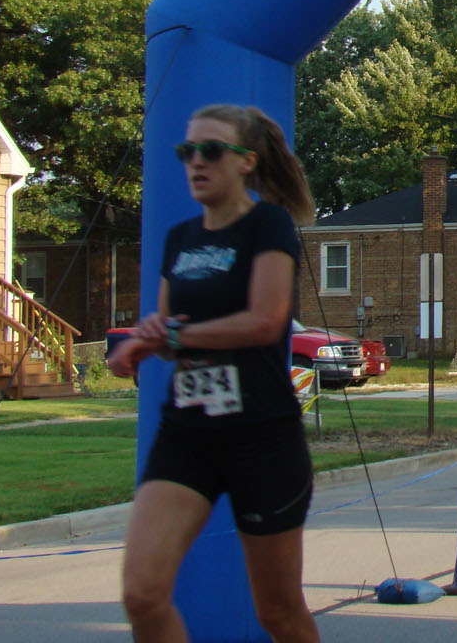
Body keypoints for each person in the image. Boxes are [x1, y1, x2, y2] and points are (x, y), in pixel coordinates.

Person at [108, 104, 320, 643]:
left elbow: (265, 322)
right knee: (142, 594)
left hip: (261, 438)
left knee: (278, 614)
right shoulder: (179, 238)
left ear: (246, 161)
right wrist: (143, 344)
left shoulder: (268, 225)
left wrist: (177, 337)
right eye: (187, 151)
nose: (195, 162)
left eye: (210, 150)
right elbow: (169, 334)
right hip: (188, 433)